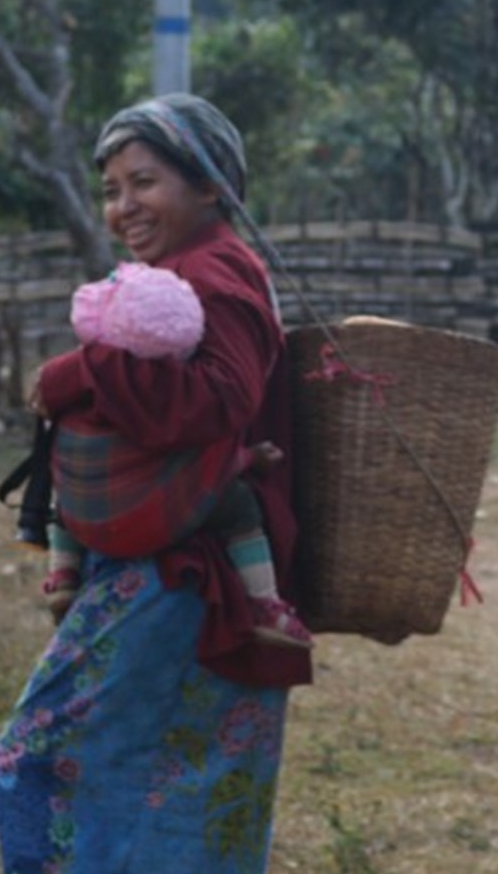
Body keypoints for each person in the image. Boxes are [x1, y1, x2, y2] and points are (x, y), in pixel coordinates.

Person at [0, 93, 312, 874]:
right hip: (213, 576)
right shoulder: (190, 271)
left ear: (210, 183)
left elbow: (205, 410)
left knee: (36, 755)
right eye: (112, 189)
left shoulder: (221, 277)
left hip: (185, 571)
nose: (125, 205)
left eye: (146, 182)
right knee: (198, 779)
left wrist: (74, 372)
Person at [40, 260, 312, 649]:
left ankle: (62, 574)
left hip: (84, 521)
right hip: (153, 519)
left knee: (64, 477)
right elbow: (199, 465)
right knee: (239, 505)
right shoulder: (167, 394)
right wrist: (250, 458)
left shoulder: (85, 381)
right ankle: (265, 603)